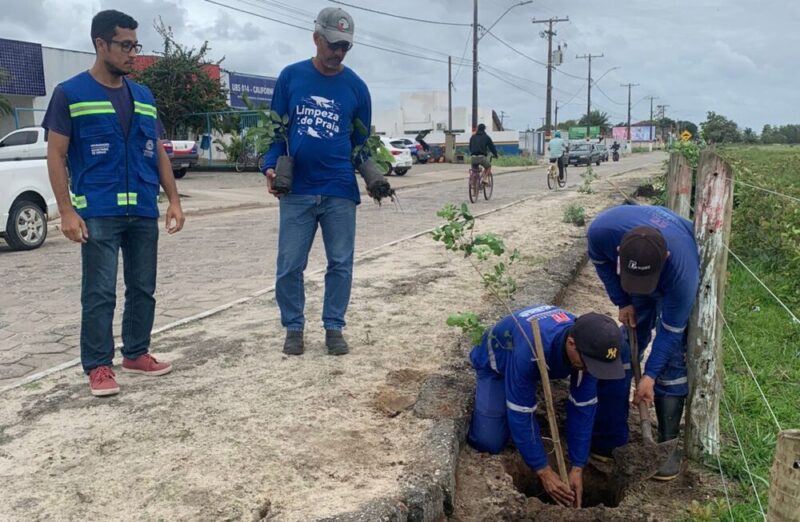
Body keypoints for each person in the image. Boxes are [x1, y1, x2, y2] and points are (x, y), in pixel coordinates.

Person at [43, 10, 185, 397]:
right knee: (100, 291)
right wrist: (67, 211)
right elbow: (55, 155)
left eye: (135, 46)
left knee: (143, 287)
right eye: (125, 45)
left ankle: (136, 353)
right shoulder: (70, 93)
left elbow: (156, 152)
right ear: (100, 44)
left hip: (141, 207)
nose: (132, 54)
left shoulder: (143, 96)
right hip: (99, 210)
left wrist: (173, 200)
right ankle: (99, 366)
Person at [262, 7, 387, 356]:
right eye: (332, 44)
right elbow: (277, 132)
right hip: (297, 189)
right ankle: (294, 327)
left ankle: (334, 327)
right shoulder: (291, 78)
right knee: (289, 265)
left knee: (341, 263)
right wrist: (270, 167)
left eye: (344, 47)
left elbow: (360, 143)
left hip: (339, 191)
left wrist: (374, 176)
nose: (337, 53)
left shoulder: (357, 88)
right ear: (316, 38)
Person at [468, 305, 626, 507]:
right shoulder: (529, 350)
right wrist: (543, 470)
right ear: (571, 344)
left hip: (538, 357)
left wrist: (578, 466)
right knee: (488, 441)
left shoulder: (589, 346)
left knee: (571, 384)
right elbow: (522, 413)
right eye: (588, 364)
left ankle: (520, 409)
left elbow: (583, 408)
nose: (590, 370)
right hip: (497, 366)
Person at [587, 205, 699, 481]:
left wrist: (649, 376)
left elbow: (670, 332)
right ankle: (611, 435)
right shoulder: (602, 232)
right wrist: (622, 300)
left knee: (670, 361)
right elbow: (600, 263)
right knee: (625, 344)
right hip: (640, 265)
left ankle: (666, 443)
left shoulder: (682, 276)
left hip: (670, 273)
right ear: (619, 255)